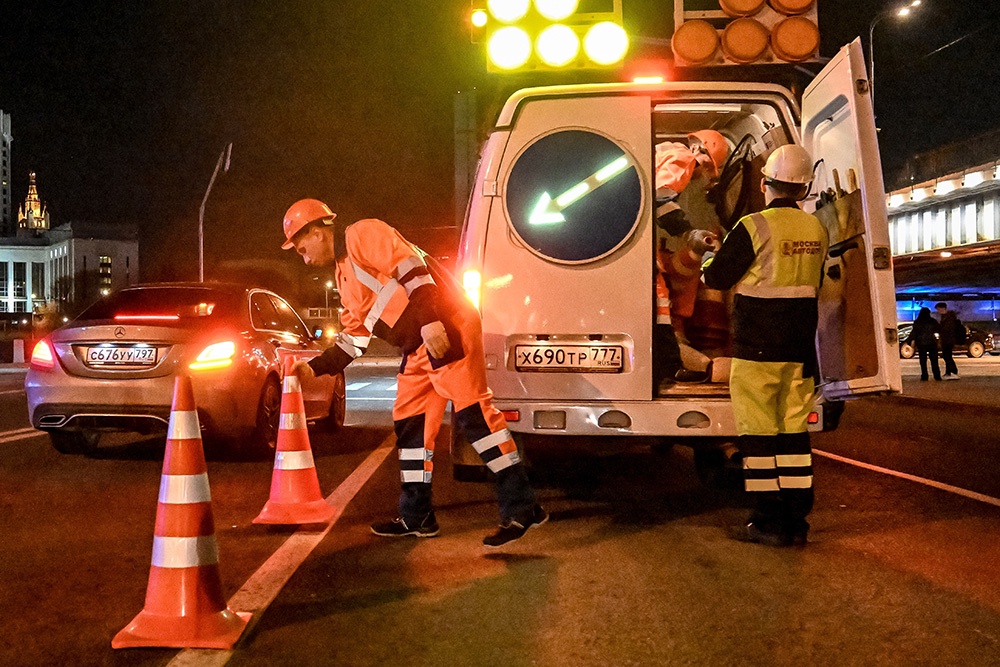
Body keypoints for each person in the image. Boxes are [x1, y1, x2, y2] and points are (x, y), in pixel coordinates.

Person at [280, 199, 547, 548]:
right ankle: (417, 516)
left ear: (317, 231)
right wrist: (311, 368)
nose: (304, 258)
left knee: (474, 416)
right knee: (410, 426)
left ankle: (523, 506)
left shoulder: (362, 233)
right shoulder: (343, 278)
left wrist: (432, 320)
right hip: (418, 347)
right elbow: (353, 341)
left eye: (302, 248)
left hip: (445, 325)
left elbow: (412, 268)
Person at [702, 144, 829, 547]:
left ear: (764, 184)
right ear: (805, 188)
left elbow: (718, 279)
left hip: (757, 350)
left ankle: (768, 521)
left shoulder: (754, 226)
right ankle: (796, 521)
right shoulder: (817, 229)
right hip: (800, 353)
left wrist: (707, 259)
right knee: (793, 437)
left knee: (758, 438)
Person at [653, 130, 730, 389]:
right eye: (708, 165)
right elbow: (660, 193)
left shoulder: (664, 153)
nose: (704, 172)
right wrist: (687, 231)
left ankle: (667, 365)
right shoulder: (684, 159)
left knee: (660, 300)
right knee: (661, 303)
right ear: (702, 150)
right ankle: (669, 367)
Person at [909, 307, 942, 381]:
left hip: (921, 343)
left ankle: (924, 376)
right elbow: (939, 329)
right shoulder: (932, 321)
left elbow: (914, 332)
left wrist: (912, 341)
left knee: (923, 361)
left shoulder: (918, 322)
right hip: (931, 343)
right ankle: (937, 375)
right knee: (934, 361)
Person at [935, 302, 961, 380]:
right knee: (947, 356)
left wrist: (940, 329)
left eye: (939, 309)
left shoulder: (949, 318)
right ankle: (948, 372)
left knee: (947, 356)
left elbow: (947, 330)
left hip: (948, 340)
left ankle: (953, 371)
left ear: (944, 309)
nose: (938, 311)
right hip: (946, 339)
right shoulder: (945, 317)